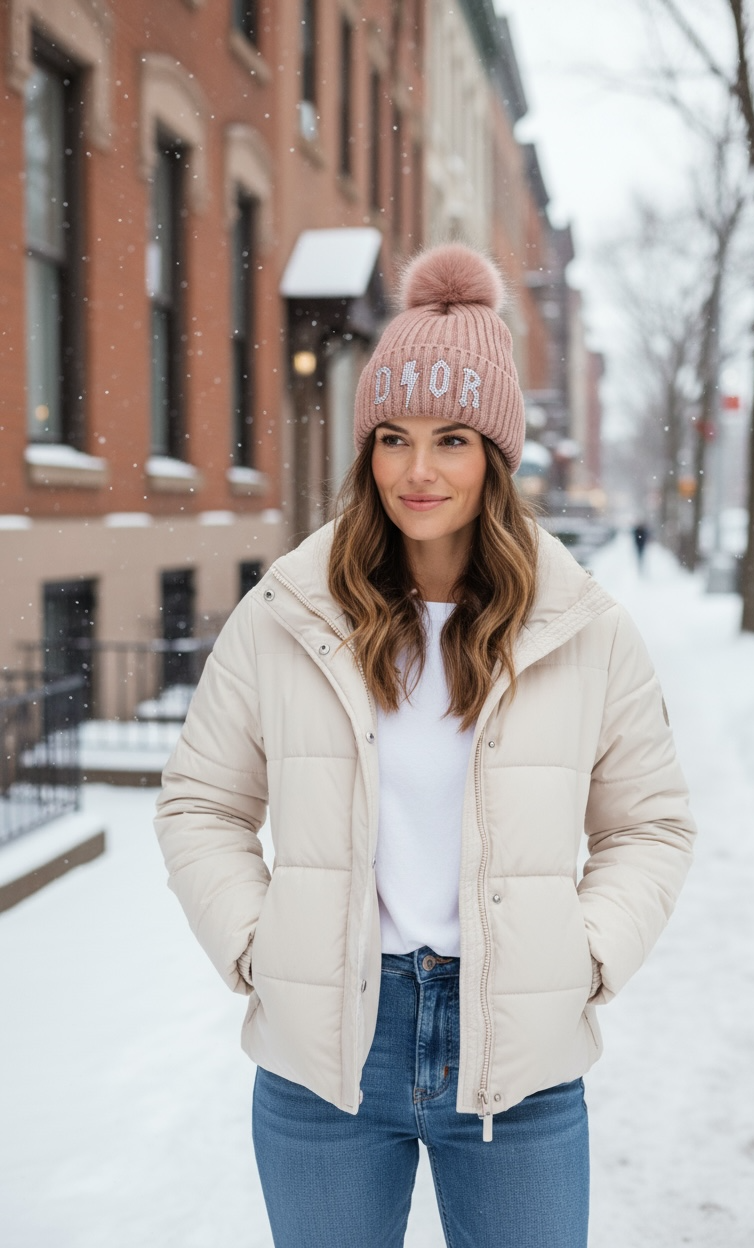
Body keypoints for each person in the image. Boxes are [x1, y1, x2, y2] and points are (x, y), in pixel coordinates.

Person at [155, 243, 696, 1248]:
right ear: (366, 449)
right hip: (327, 1058)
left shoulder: (583, 629)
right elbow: (200, 801)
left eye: (451, 437)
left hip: (517, 1062)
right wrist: (255, 944)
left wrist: (581, 959)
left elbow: (649, 826)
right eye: (393, 437)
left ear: (495, 454)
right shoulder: (288, 618)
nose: (416, 470)